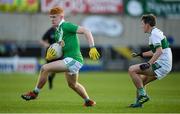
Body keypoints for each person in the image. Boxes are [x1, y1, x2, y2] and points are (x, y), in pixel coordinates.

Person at [21, 6, 100, 107]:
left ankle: (35, 93)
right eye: (51, 17)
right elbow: (60, 50)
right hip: (69, 59)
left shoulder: (66, 25)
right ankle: (88, 101)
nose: (52, 19)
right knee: (73, 85)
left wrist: (92, 47)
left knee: (45, 68)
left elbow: (86, 31)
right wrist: (51, 56)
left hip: (73, 59)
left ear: (61, 16)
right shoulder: (58, 32)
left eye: (54, 17)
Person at [128, 14, 172, 108]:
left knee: (132, 69)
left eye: (142, 24)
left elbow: (159, 51)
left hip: (162, 64)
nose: (141, 26)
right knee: (141, 81)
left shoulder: (154, 35)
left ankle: (143, 95)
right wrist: (141, 54)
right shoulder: (156, 33)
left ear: (147, 24)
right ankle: (138, 103)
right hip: (165, 65)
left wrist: (149, 63)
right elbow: (155, 51)